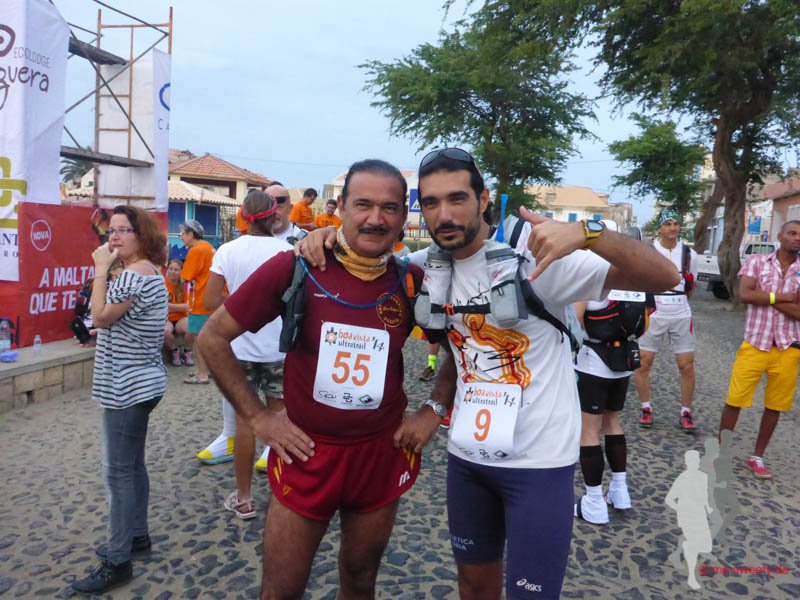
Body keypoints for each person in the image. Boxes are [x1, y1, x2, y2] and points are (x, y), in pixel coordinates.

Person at [296, 147, 678, 599]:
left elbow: (665, 276)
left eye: (457, 198)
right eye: (431, 202)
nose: (444, 214)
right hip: (468, 461)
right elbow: (364, 258)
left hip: (538, 465)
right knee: (473, 586)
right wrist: (322, 238)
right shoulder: (423, 269)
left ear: (483, 199)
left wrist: (588, 232)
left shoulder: (536, 261)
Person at [198, 159, 428, 598]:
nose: (376, 218)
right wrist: (258, 418)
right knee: (282, 589)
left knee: (360, 582)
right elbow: (212, 338)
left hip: (378, 455)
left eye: (389, 208)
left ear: (403, 215)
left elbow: (462, 345)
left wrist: (433, 409)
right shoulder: (298, 266)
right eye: (363, 204)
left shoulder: (411, 280)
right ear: (340, 207)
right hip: (306, 455)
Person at [71, 206, 168, 595]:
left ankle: (117, 560)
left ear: (141, 235)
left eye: (124, 230)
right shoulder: (149, 272)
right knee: (133, 467)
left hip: (127, 387)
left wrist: (99, 269)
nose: (113, 237)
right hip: (141, 382)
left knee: (118, 473)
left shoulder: (132, 275)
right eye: (110, 230)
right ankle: (136, 537)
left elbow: (99, 316)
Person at [201, 189, 290, 515]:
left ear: (243, 216)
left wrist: (241, 308)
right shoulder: (287, 252)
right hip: (278, 348)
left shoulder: (227, 250)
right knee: (282, 423)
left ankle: (243, 497)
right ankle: (285, 499)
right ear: (274, 216)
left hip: (238, 349)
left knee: (244, 423)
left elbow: (210, 300)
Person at [572, 222, 649, 525]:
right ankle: (619, 490)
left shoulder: (594, 275)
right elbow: (646, 323)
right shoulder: (636, 277)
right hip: (623, 361)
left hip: (592, 361)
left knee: (588, 431)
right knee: (612, 422)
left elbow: (575, 321)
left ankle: (593, 502)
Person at [718, 220, 800, 478]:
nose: (797, 238)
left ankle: (758, 457)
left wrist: (765, 296)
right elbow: (745, 294)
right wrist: (784, 297)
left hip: (788, 346)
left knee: (775, 406)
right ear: (780, 236)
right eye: (792, 233)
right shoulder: (757, 261)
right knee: (734, 400)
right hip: (755, 343)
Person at [634, 209, 699, 431]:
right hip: (654, 309)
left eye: (676, 223)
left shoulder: (690, 254)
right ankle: (646, 407)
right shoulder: (648, 250)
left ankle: (686, 411)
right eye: (668, 224)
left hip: (681, 311)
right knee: (644, 362)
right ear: (660, 227)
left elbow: (691, 285)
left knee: (686, 365)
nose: (672, 228)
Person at [665, 450, 713, 591]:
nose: (694, 463)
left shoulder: (703, 476)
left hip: (700, 514)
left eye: (696, 460)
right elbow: (669, 499)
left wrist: (707, 507)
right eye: (691, 461)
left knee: (706, 547)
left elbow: (704, 494)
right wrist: (680, 510)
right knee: (695, 544)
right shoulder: (683, 479)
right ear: (687, 463)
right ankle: (692, 576)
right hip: (687, 515)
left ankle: (684, 547)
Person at [180, 219, 215, 384]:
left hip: (199, 300)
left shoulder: (195, 251)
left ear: (191, 234)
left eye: (182, 233)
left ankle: (202, 375)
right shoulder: (208, 247)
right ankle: (206, 370)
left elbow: (185, 276)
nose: (181, 237)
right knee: (206, 337)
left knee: (199, 339)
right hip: (212, 299)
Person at [163, 259, 189, 366]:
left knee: (191, 328)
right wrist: (179, 307)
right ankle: (175, 351)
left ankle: (187, 351)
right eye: (170, 269)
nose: (173, 272)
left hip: (181, 318)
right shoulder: (162, 283)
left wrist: (169, 306)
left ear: (181, 272)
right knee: (164, 331)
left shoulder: (185, 285)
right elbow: (161, 305)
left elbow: (188, 307)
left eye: (176, 270)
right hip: (166, 318)